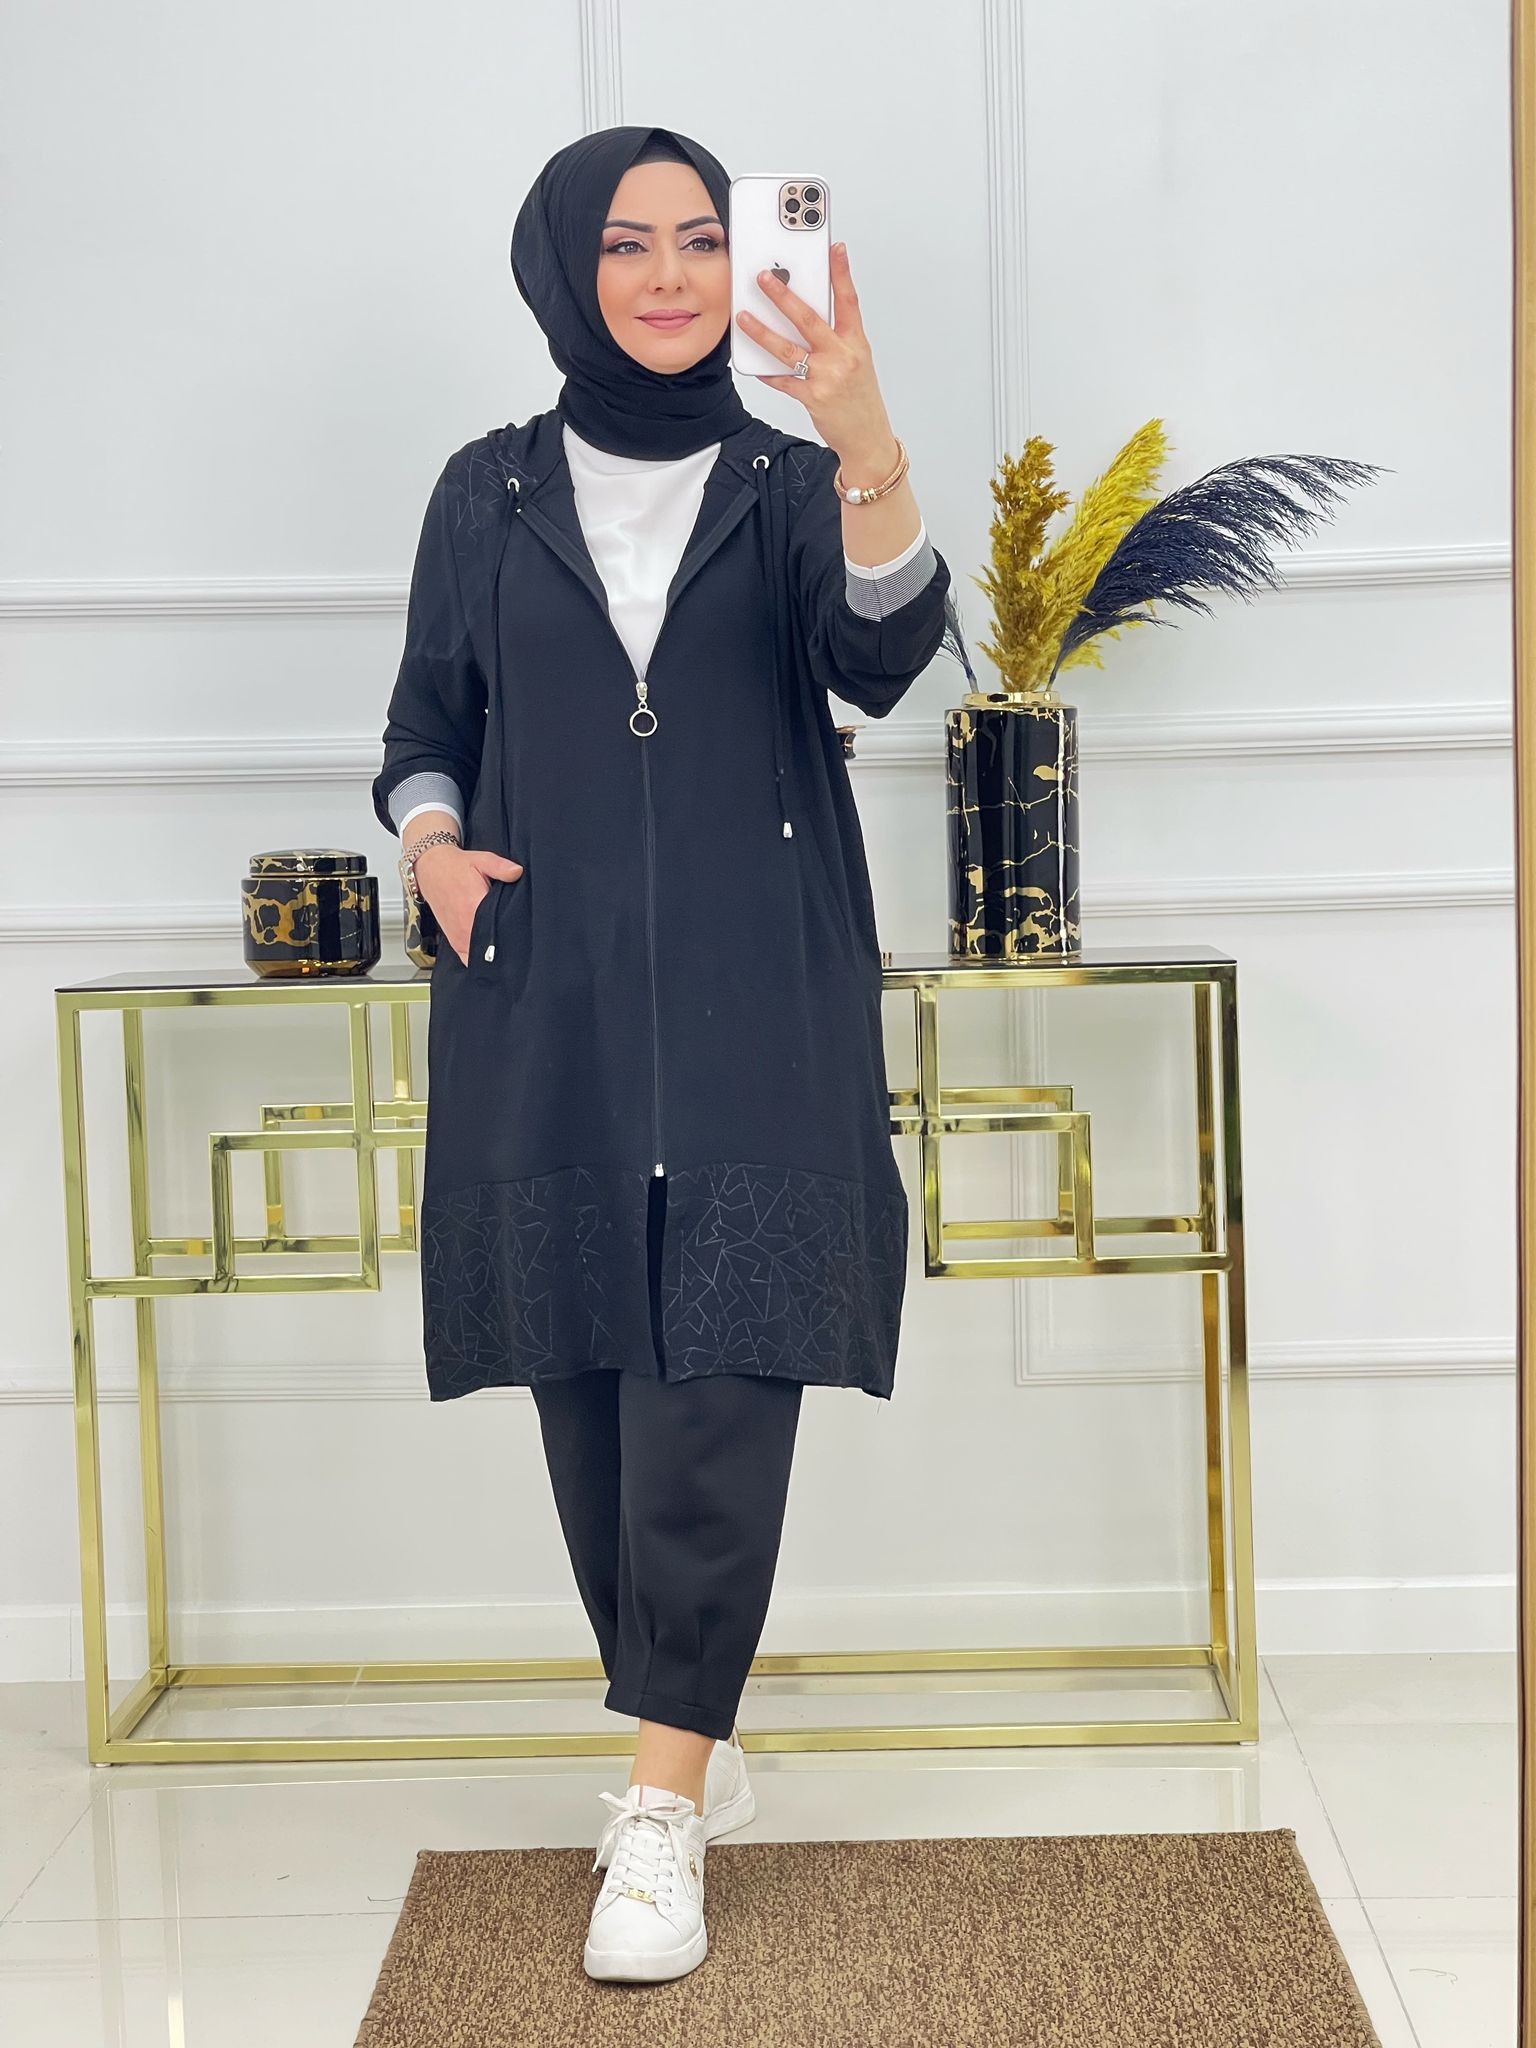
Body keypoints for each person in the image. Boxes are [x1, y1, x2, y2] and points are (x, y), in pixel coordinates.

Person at [371, 124, 953, 1984]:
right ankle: (685, 1715)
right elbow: (424, 721)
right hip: (543, 990)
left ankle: (661, 1807)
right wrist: (433, 848)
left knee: (723, 1375)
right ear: (567, 269)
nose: (674, 274)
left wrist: (865, 437)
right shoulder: (485, 490)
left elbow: (883, 657)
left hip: (756, 987)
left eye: (704, 238)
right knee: (590, 1387)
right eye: (629, 244)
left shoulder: (789, 484)